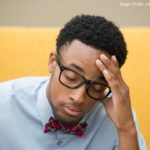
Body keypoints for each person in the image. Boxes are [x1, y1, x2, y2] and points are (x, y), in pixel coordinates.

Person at [0, 15, 147, 150]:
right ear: (52, 62)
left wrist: (126, 129)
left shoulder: (120, 118)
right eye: (71, 77)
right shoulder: (4, 104)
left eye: (97, 87)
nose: (79, 98)